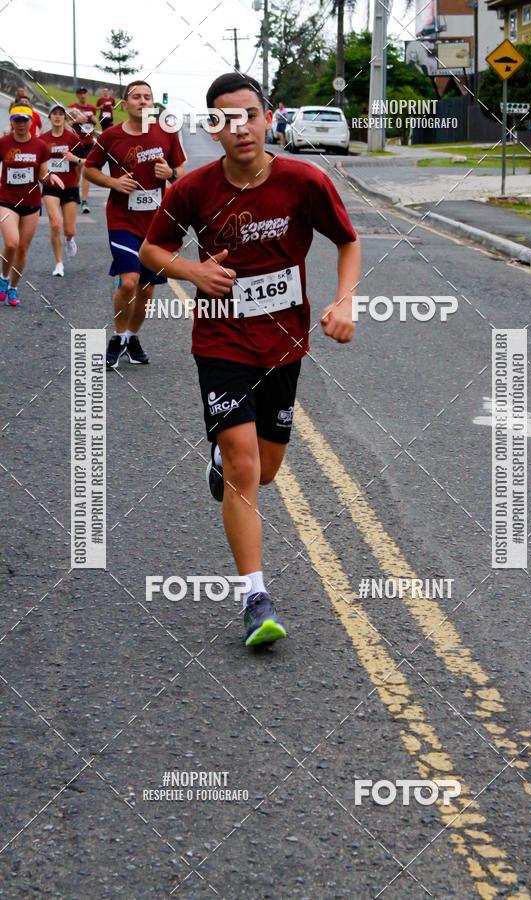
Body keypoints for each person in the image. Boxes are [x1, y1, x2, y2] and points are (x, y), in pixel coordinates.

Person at [140, 72, 360, 648]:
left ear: (268, 120)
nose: (241, 128)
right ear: (214, 128)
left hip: (283, 343)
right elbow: (152, 249)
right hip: (221, 341)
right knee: (244, 467)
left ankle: (223, 458)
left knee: (265, 469)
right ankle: (254, 598)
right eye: (226, 119)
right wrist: (193, 271)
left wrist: (344, 301)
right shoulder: (194, 189)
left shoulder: (304, 181)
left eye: (250, 116)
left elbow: (347, 240)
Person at [84, 79, 186, 368]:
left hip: (155, 223)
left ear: (152, 103)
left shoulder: (166, 133)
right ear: (124, 103)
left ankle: (131, 337)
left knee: (147, 288)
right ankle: (118, 338)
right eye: (136, 96)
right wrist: (113, 182)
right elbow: (89, 169)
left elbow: (181, 170)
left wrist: (170, 172)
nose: (142, 101)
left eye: (147, 97)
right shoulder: (111, 137)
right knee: (129, 280)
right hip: (122, 220)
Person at [0, 105, 64, 306]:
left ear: (31, 122)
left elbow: (42, 174)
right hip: (7, 201)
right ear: (11, 122)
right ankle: (3, 278)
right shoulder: (3, 143)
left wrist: (50, 177)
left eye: (24, 120)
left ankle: (13, 287)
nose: (21, 124)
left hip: (31, 203)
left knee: (22, 249)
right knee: (11, 243)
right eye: (17, 120)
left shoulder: (40, 146)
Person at [39, 103, 82, 276]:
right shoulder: (42, 139)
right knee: (56, 224)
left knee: (69, 230)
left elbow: (81, 163)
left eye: (60, 114)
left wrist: (74, 162)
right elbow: (39, 164)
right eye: (54, 114)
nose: (57, 116)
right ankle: (58, 264)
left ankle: (70, 239)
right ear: (49, 117)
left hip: (70, 186)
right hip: (51, 187)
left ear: (65, 118)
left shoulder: (72, 139)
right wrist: (44, 178)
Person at [67, 86, 96, 213]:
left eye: (84, 93)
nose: (82, 95)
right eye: (80, 93)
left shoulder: (92, 108)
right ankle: (75, 192)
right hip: (76, 144)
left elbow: (94, 124)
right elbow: (65, 124)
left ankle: (84, 201)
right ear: (77, 95)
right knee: (77, 173)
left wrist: (95, 121)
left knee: (86, 171)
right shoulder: (72, 107)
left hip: (89, 144)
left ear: (87, 94)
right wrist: (76, 121)